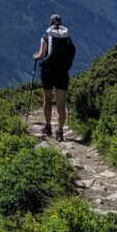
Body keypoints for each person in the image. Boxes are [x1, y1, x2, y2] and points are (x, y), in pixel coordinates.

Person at [33, 14, 74, 142]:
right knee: (61, 105)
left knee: (48, 99)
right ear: (60, 23)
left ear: (50, 23)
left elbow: (41, 54)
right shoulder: (67, 37)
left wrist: (35, 57)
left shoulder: (46, 36)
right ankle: (60, 132)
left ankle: (48, 126)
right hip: (62, 73)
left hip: (48, 72)